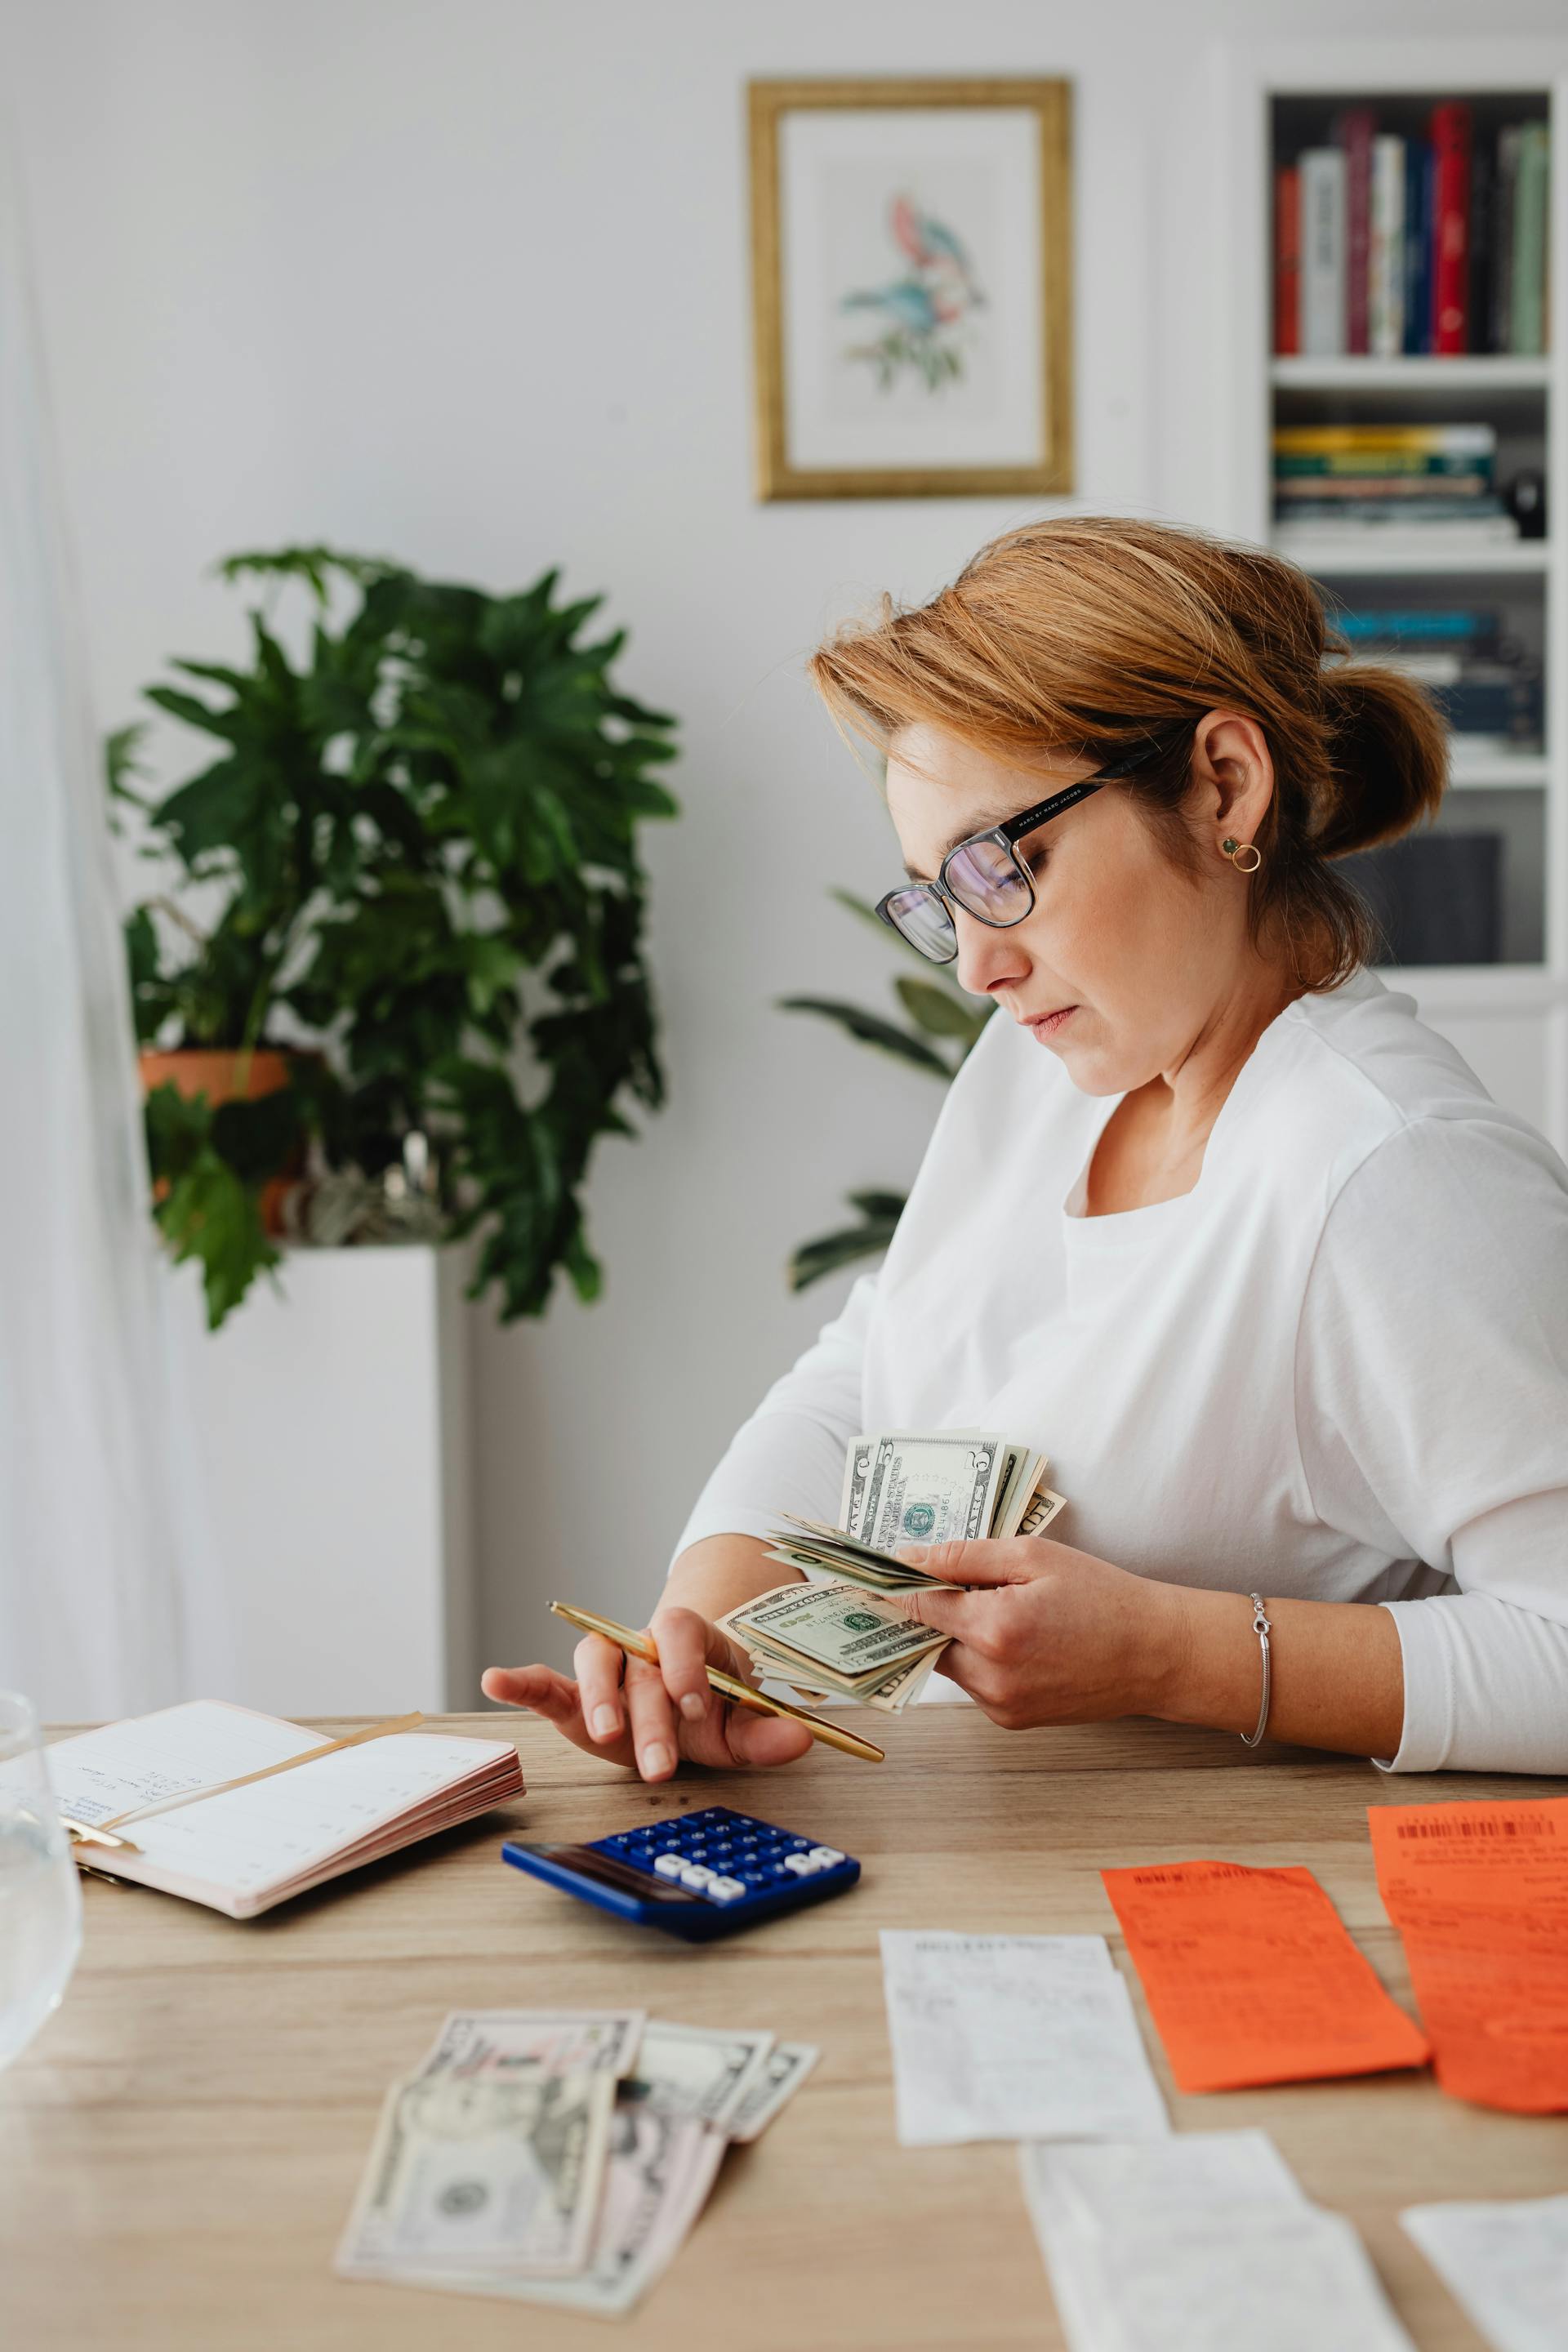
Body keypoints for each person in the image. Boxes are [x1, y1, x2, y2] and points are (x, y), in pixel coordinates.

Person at [483, 516, 1568, 1783]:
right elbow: (875, 1361)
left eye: (1007, 865)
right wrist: (712, 1621)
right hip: (972, 1854)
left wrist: (1175, 1655)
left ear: (1223, 782)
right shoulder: (1053, 1066)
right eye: (938, 898)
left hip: (1214, 1904)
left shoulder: (1395, 1176)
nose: (979, 964)